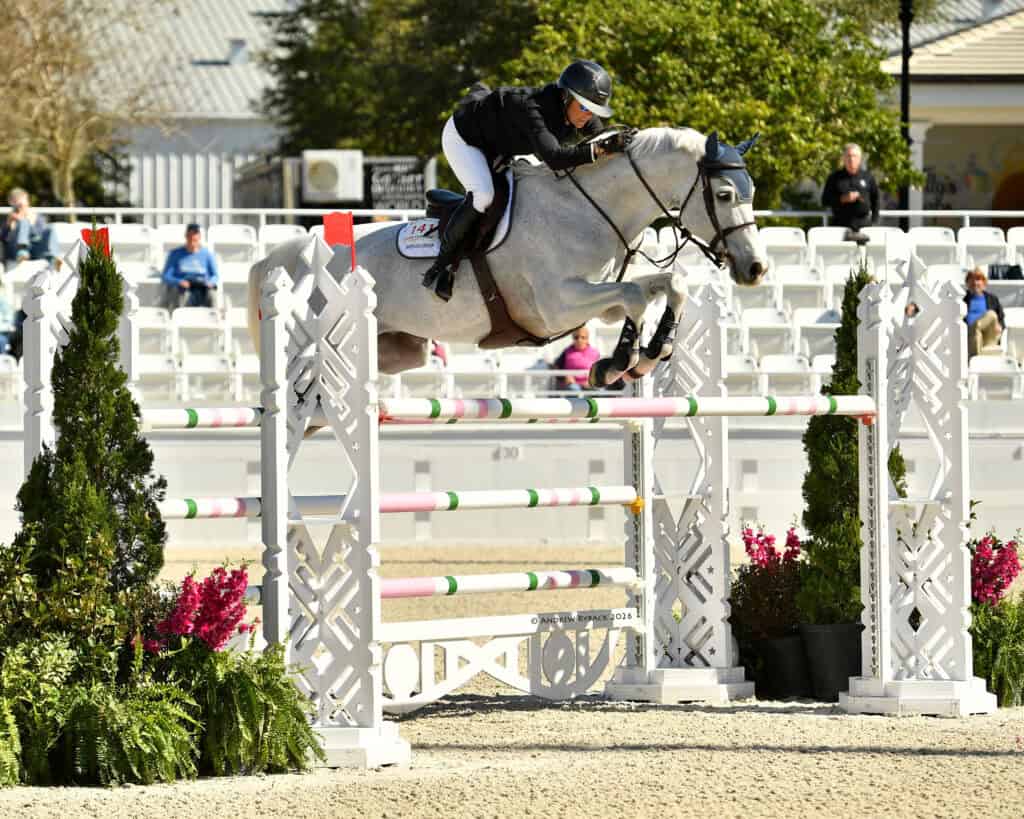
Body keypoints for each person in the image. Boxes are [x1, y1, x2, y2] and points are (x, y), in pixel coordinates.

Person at [422, 59, 630, 301]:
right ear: (566, 97)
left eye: (594, 110)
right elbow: (554, 158)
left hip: (500, 143)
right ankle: (441, 266)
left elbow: (602, 137)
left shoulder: (578, 112)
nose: (589, 116)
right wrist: (599, 151)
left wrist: (625, 143)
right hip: (465, 138)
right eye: (585, 108)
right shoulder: (532, 109)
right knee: (484, 196)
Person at [821, 143, 879, 244]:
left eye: (854, 156)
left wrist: (874, 221)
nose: (851, 159)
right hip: (840, 226)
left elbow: (876, 199)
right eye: (848, 156)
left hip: (863, 226)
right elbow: (825, 200)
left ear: (860, 158)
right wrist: (842, 199)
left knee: (864, 258)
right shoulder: (834, 178)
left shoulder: (868, 177)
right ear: (843, 158)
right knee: (841, 258)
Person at [160, 223, 219, 310]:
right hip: (183, 287)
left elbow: (215, 275)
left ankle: (213, 318)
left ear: (199, 238)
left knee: (212, 294)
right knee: (182, 294)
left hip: (202, 286)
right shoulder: (175, 254)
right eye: (190, 238)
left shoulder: (207, 254)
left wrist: (210, 282)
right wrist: (179, 281)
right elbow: (166, 276)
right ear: (186, 237)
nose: (192, 242)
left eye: (195, 239)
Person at [1, 188, 59, 264]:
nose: (21, 207)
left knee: (50, 229)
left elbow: (39, 237)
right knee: (24, 222)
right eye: (18, 205)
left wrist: (31, 224)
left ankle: (53, 257)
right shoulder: (8, 218)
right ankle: (22, 250)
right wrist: (8, 224)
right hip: (14, 251)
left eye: (23, 204)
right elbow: (3, 238)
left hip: (33, 251)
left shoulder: (37, 217)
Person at [963, 267, 1004, 358]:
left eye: (978, 280)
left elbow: (1001, 318)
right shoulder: (963, 300)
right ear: (967, 283)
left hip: (989, 334)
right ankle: (975, 363)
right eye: (971, 280)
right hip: (970, 333)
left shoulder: (992, 299)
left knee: (992, 314)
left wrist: (1000, 326)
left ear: (984, 283)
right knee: (976, 334)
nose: (975, 283)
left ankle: (974, 362)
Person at [553, 326, 601, 391]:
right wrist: (565, 377)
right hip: (572, 384)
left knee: (600, 390)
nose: (579, 340)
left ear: (587, 339)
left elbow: (599, 371)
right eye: (576, 337)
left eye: (583, 337)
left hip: (589, 383)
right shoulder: (566, 352)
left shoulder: (595, 353)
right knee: (574, 389)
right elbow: (556, 367)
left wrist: (591, 381)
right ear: (573, 339)